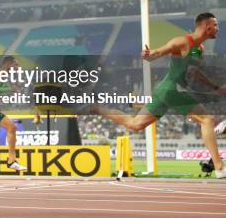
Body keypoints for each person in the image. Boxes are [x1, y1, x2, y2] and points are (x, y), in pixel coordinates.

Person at [95, 13, 225, 178]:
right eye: (216, 25)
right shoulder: (183, 41)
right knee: (207, 120)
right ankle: (219, 166)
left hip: (167, 91)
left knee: (135, 124)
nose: (218, 29)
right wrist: (150, 55)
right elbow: (159, 52)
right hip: (172, 89)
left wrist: (215, 87)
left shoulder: (199, 49)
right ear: (207, 26)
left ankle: (97, 109)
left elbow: (195, 73)